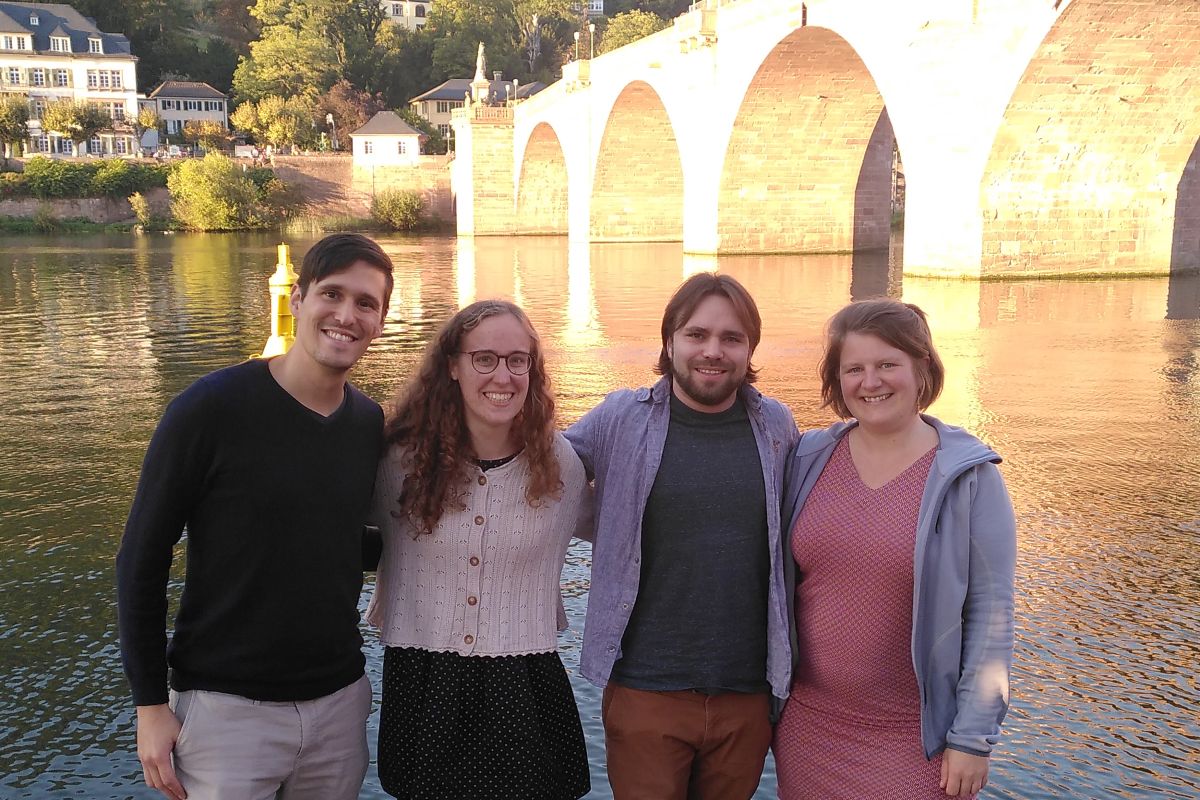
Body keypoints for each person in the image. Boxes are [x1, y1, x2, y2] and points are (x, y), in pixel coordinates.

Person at [116, 233, 394, 800]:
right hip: (225, 710)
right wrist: (149, 704)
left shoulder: (369, 424)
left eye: (366, 303)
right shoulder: (210, 408)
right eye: (332, 294)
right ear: (298, 299)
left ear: (381, 321)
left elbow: (340, 539)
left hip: (339, 706)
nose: (347, 316)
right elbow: (141, 558)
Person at [564, 272, 800, 800]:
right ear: (669, 341)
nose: (712, 351)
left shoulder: (777, 426)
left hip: (748, 693)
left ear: (750, 348)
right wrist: (607, 524)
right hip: (645, 688)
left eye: (731, 338)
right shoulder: (621, 418)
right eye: (696, 334)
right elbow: (540, 475)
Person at [774, 298, 1017, 800]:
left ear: (921, 366)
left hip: (918, 740)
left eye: (887, 364)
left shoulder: (969, 478)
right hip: (808, 727)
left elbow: (991, 613)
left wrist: (973, 738)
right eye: (854, 369)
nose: (871, 382)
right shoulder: (808, 458)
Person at [366, 299, 591, 800]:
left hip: (524, 683)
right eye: (484, 358)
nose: (502, 376)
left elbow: (621, 530)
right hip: (425, 680)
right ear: (452, 365)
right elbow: (321, 521)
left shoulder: (560, 464)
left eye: (518, 360)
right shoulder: (398, 462)